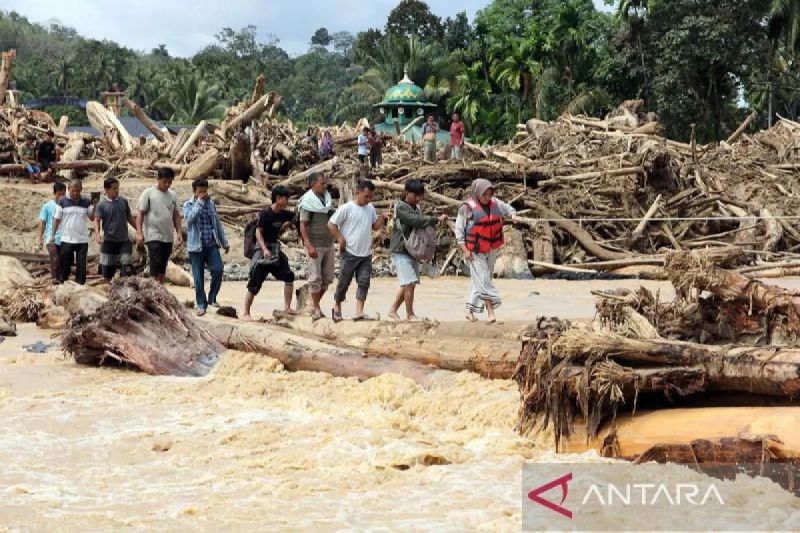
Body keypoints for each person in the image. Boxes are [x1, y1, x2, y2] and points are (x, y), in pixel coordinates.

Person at [455, 179, 518, 323]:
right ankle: (491, 312)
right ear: (477, 193)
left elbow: (508, 209)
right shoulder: (466, 208)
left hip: (490, 249)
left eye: (490, 195)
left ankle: (469, 310)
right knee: (483, 279)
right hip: (474, 251)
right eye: (484, 195)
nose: (487, 198)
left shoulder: (495, 203)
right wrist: (464, 249)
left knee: (482, 280)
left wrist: (513, 215)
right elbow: (459, 231)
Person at [328, 179, 389, 321]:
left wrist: (382, 218)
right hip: (349, 252)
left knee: (364, 282)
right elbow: (331, 224)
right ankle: (337, 306)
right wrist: (340, 239)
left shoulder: (371, 209)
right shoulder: (346, 208)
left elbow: (374, 227)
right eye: (366, 196)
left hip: (366, 253)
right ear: (358, 193)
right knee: (344, 281)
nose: (368, 199)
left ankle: (359, 311)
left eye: (370, 197)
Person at [388, 180, 448, 322]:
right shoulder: (401, 208)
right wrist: (435, 219)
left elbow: (419, 220)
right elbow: (415, 220)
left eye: (420, 196)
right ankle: (410, 315)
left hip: (411, 250)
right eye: (416, 196)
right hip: (401, 249)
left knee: (409, 282)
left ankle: (393, 310)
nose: (418, 199)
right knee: (410, 282)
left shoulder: (416, 207)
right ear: (406, 193)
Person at [243, 186, 297, 321]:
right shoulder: (265, 213)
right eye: (286, 199)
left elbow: (297, 216)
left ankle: (287, 306)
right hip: (262, 249)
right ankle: (246, 312)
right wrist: (264, 249)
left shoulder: (284, 213)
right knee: (254, 283)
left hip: (275, 249)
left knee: (289, 276)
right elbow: (258, 232)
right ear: (278, 198)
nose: (288, 201)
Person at [183, 178, 229, 316]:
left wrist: (224, 242)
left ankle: (212, 297)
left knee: (218, 269)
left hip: (211, 244)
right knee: (198, 278)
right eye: (200, 192)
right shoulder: (188, 204)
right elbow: (190, 220)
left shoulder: (211, 204)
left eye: (205, 191)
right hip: (195, 247)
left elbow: (217, 224)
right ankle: (201, 305)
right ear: (194, 192)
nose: (203, 194)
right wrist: (199, 203)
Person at [298, 172, 336, 319]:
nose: (324, 186)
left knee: (327, 278)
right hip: (315, 244)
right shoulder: (307, 202)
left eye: (325, 183)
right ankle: (316, 308)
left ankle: (314, 305)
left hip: (328, 243)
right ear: (313, 184)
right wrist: (309, 245)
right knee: (315, 279)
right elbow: (303, 226)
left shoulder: (327, 199)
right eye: (322, 183)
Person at [136, 167, 183, 283]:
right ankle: (153, 289)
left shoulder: (172, 195)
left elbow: (176, 215)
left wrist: (179, 232)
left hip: (168, 236)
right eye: (164, 182)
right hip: (153, 235)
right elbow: (140, 214)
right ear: (158, 179)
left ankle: (160, 289)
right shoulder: (148, 193)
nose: (167, 185)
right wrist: (139, 233)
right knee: (155, 264)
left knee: (163, 266)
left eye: (169, 182)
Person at [51, 179, 94, 285]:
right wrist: (53, 235)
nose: (75, 193)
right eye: (73, 191)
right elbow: (56, 220)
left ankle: (80, 285)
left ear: (81, 190)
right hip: (66, 239)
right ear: (69, 189)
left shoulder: (87, 202)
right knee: (65, 264)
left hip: (82, 240)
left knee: (81, 265)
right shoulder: (62, 202)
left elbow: (92, 218)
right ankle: (63, 283)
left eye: (78, 191)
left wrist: (95, 206)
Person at [94, 177, 135, 281]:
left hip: (124, 241)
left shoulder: (123, 202)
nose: (117, 190)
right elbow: (97, 220)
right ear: (106, 190)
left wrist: (139, 230)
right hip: (109, 241)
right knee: (107, 273)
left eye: (118, 188)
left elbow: (129, 217)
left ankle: (127, 287)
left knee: (126, 264)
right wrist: (98, 235)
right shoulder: (101, 205)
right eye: (114, 188)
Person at [37, 182, 66, 282]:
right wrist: (39, 238)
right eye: (59, 194)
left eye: (63, 194)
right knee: (55, 260)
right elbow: (42, 223)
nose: (61, 197)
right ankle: (55, 281)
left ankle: (63, 281)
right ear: (54, 193)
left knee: (64, 261)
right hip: (51, 238)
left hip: (65, 238)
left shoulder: (67, 206)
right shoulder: (47, 206)